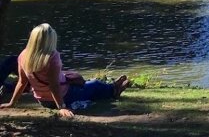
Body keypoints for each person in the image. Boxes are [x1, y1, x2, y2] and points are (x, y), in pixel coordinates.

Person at [0, 24, 130, 117]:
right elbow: (53, 86)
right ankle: (113, 90)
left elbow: (22, 82)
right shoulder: (52, 57)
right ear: (50, 40)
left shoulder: (24, 56)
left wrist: (12, 103)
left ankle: (112, 86)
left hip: (42, 100)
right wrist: (61, 107)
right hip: (65, 96)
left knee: (84, 82)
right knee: (94, 85)